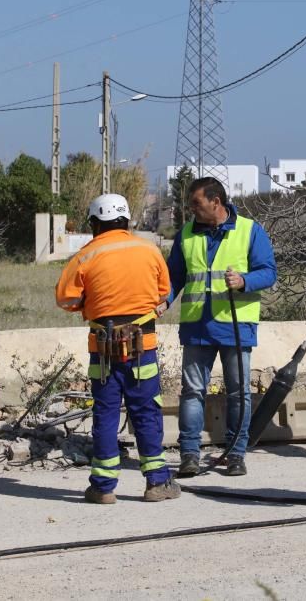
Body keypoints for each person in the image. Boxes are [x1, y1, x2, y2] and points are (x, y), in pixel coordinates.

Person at [55, 193, 180, 504]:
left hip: (103, 351)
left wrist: (89, 305)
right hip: (143, 349)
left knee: (105, 414)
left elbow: (66, 299)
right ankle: (157, 482)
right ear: (127, 220)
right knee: (146, 411)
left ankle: (103, 486)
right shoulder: (148, 250)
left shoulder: (85, 256)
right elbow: (163, 292)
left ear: (95, 224)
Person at [165, 177, 277, 478]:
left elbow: (268, 272)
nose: (191, 211)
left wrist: (244, 281)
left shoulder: (250, 231)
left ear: (216, 202)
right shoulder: (186, 234)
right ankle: (189, 454)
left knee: (239, 393)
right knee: (192, 392)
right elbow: (173, 277)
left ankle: (235, 453)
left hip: (235, 326)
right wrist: (161, 301)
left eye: (196, 205)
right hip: (197, 326)